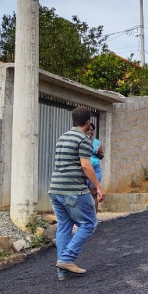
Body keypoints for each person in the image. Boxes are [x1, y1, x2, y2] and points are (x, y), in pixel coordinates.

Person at [48, 106, 104, 281]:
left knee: (64, 226)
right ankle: (66, 259)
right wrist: (98, 186)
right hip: (74, 190)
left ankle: (62, 272)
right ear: (88, 122)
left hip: (55, 189)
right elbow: (86, 165)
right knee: (89, 223)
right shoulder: (84, 139)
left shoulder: (62, 137)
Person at [86, 121, 104, 213]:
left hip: (96, 170)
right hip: (85, 169)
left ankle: (94, 217)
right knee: (86, 193)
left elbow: (101, 157)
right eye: (88, 129)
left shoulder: (97, 142)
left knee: (93, 192)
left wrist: (99, 152)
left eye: (92, 130)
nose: (90, 131)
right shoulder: (83, 141)